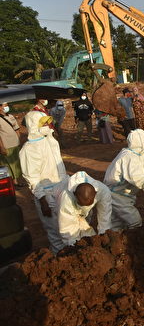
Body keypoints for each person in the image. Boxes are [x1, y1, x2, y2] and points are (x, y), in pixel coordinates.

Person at [19, 111, 67, 254]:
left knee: (67, 226)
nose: (47, 125)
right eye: (43, 123)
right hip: (46, 194)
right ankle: (58, 258)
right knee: (55, 231)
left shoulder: (49, 140)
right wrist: (43, 201)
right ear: (34, 126)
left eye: (47, 122)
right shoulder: (29, 150)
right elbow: (32, 178)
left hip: (61, 188)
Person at [52, 171, 112, 248]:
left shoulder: (103, 191)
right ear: (74, 195)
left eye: (89, 204)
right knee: (59, 239)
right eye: (82, 204)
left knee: (88, 236)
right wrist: (74, 247)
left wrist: (104, 238)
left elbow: (105, 218)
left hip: (78, 211)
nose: (85, 207)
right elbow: (67, 229)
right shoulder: (66, 198)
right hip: (55, 201)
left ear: (96, 193)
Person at [0, 103, 23, 181]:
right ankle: (7, 184)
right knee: (6, 165)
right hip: (6, 145)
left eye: (7, 105)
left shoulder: (11, 116)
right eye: (5, 106)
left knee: (16, 163)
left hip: (15, 144)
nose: (7, 107)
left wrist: (19, 141)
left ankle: (16, 181)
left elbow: (16, 129)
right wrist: (1, 147)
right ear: (0, 107)